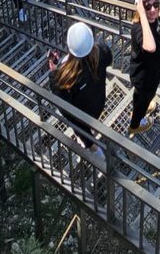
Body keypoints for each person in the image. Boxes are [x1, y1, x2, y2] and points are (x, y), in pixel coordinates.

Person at [47, 22, 113, 161]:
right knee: (89, 120)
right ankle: (90, 137)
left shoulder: (59, 78)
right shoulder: (101, 53)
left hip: (82, 116)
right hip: (98, 104)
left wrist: (55, 70)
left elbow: (67, 112)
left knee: (80, 126)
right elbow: (106, 58)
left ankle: (94, 149)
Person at [128, 0, 160, 136]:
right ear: (140, 8)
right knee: (141, 102)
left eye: (155, 4)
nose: (153, 9)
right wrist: (145, 15)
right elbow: (150, 47)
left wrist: (155, 14)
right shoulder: (139, 29)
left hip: (149, 75)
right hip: (143, 79)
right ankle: (134, 125)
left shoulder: (149, 21)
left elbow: (152, 20)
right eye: (147, 6)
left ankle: (144, 105)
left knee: (143, 97)